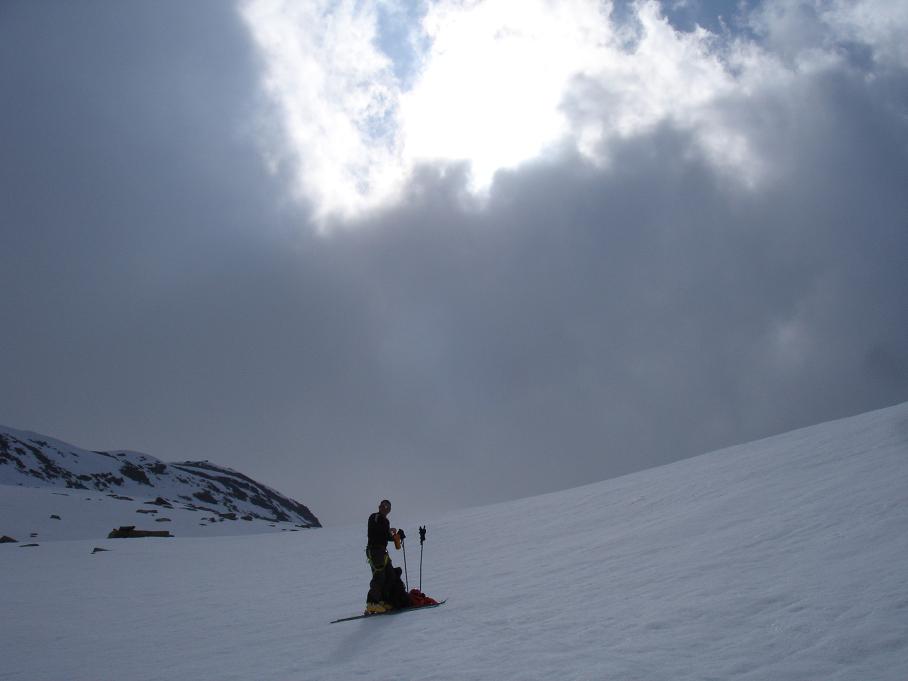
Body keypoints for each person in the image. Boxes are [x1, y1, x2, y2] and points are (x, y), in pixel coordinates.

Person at [365, 499, 410, 614]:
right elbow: (378, 532)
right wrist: (392, 533)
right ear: (379, 507)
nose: (385, 508)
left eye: (387, 507)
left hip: (382, 552)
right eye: (383, 506)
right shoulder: (375, 517)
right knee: (379, 577)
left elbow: (385, 535)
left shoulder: (385, 521)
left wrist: (397, 536)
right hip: (375, 551)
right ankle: (372, 603)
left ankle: (383, 601)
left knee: (390, 575)